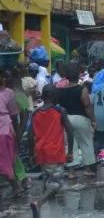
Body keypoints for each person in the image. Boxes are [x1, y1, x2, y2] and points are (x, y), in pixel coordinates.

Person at [29, 85, 74, 218]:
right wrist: (70, 151)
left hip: (41, 153)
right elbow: (70, 131)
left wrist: (32, 153)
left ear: (43, 96)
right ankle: (39, 203)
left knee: (47, 182)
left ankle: (49, 214)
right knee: (57, 183)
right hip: (55, 152)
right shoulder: (60, 111)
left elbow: (30, 136)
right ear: (55, 96)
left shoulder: (35, 113)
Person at [57, 62, 96, 178]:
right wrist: (93, 120)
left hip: (66, 119)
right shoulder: (82, 89)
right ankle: (88, 169)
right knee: (86, 142)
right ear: (78, 75)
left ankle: (71, 171)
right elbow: (87, 106)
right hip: (81, 119)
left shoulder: (60, 90)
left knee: (70, 145)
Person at [0, 69, 22, 201]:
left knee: (4, 162)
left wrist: (17, 135)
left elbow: (14, 116)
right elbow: (14, 117)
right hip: (6, 129)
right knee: (6, 161)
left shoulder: (9, 93)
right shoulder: (9, 93)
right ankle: (16, 187)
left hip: (4, 131)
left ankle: (16, 187)